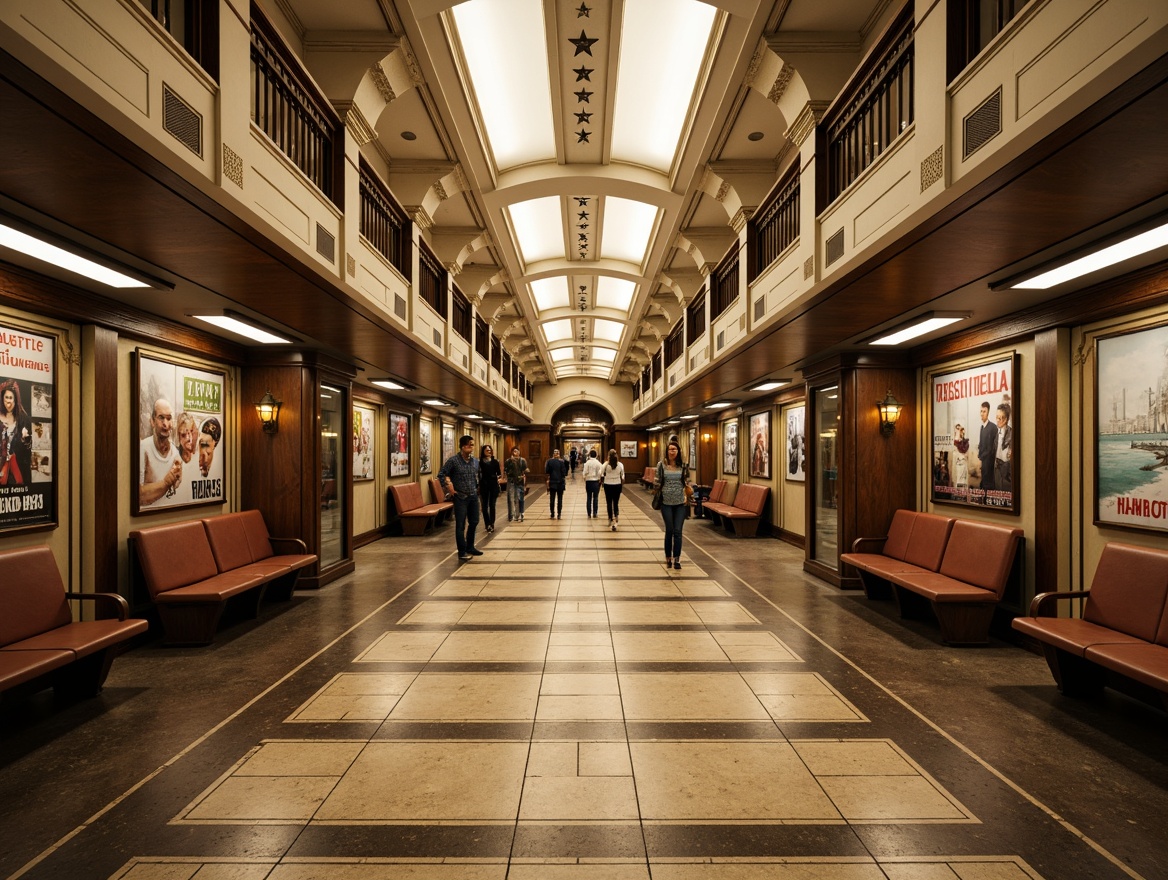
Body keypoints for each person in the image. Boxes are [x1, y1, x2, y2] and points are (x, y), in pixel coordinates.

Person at [439, 435, 481, 560]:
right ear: (463, 446)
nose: (472, 447)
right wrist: (448, 485)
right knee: (460, 525)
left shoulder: (475, 461)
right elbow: (442, 474)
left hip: (473, 496)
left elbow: (477, 476)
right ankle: (462, 551)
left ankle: (470, 546)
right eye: (470, 445)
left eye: (473, 445)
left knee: (474, 522)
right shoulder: (453, 461)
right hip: (460, 497)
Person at [654, 438, 691, 570]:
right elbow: (656, 481)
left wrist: (686, 490)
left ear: (678, 451)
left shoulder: (683, 465)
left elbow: (687, 481)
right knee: (669, 530)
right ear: (667, 451)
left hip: (680, 502)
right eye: (670, 449)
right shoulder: (661, 465)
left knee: (678, 531)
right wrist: (659, 487)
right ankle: (668, 557)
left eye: (674, 449)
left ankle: (677, 559)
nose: (672, 451)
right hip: (666, 502)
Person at [139, 397, 184, 506]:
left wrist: (176, 480)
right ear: (152, 421)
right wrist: (165, 483)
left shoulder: (176, 454)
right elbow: (138, 496)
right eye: (161, 418)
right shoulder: (143, 448)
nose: (165, 423)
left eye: (168, 418)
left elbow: (177, 489)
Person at [0, 379, 33, 486]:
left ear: (16, 399)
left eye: (11, 398)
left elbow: (28, 449)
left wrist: (25, 439)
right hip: (1, 460)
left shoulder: (23, 419)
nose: (8, 403)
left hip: (15, 459)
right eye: (6, 398)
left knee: (19, 481)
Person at [479, 444, 502, 532]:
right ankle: (487, 523)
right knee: (484, 507)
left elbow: (499, 473)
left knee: (492, 505)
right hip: (484, 485)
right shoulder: (480, 462)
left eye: (490, 450)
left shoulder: (495, 461)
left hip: (493, 485)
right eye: (487, 450)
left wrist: (498, 479)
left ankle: (492, 523)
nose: (489, 452)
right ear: (483, 452)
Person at [976, 400, 998, 494]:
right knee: (983, 484)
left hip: (989, 463)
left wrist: (982, 457)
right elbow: (981, 444)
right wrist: (979, 456)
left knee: (988, 486)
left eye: (984, 411)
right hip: (983, 462)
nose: (982, 414)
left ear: (988, 412)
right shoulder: (982, 427)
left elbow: (991, 449)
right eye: (981, 411)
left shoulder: (993, 427)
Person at [601, 448, 625, 530]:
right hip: (617, 485)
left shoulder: (605, 464)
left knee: (609, 502)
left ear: (608, 456)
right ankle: (616, 517)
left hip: (608, 485)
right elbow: (623, 476)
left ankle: (610, 519)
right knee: (616, 502)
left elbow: (600, 473)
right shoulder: (620, 465)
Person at [504, 446, 528, 522]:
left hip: (519, 481)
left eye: (517, 451)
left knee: (519, 498)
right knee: (511, 499)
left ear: (519, 452)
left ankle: (518, 514)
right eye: (514, 451)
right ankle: (511, 515)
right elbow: (506, 470)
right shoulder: (508, 461)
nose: (516, 452)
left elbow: (525, 470)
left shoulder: (522, 460)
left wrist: (524, 482)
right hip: (511, 481)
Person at [545, 448, 569, 518]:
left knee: (552, 499)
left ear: (553, 454)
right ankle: (559, 514)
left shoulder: (549, 461)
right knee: (560, 499)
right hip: (560, 482)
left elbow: (547, 471)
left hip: (552, 482)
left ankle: (552, 513)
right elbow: (564, 473)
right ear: (558, 454)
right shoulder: (561, 462)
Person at [994, 403, 1013, 491]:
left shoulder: (1011, 433)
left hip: (1007, 470)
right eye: (997, 417)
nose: (997, 420)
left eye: (1000, 418)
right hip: (996, 468)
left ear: (1006, 419)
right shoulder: (994, 432)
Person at [581, 448, 603, 518]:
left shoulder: (587, 463)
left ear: (590, 455)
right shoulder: (599, 463)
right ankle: (595, 513)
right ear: (596, 455)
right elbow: (601, 473)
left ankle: (589, 513)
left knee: (589, 497)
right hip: (596, 482)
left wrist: (585, 479)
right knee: (595, 497)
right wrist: (599, 479)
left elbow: (584, 473)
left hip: (588, 481)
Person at [952, 423, 970, 490]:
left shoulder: (965, 442)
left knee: (963, 481)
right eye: (957, 429)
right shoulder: (955, 442)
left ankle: (963, 494)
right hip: (957, 464)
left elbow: (964, 451)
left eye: (960, 429)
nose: (959, 431)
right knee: (957, 480)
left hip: (963, 464)